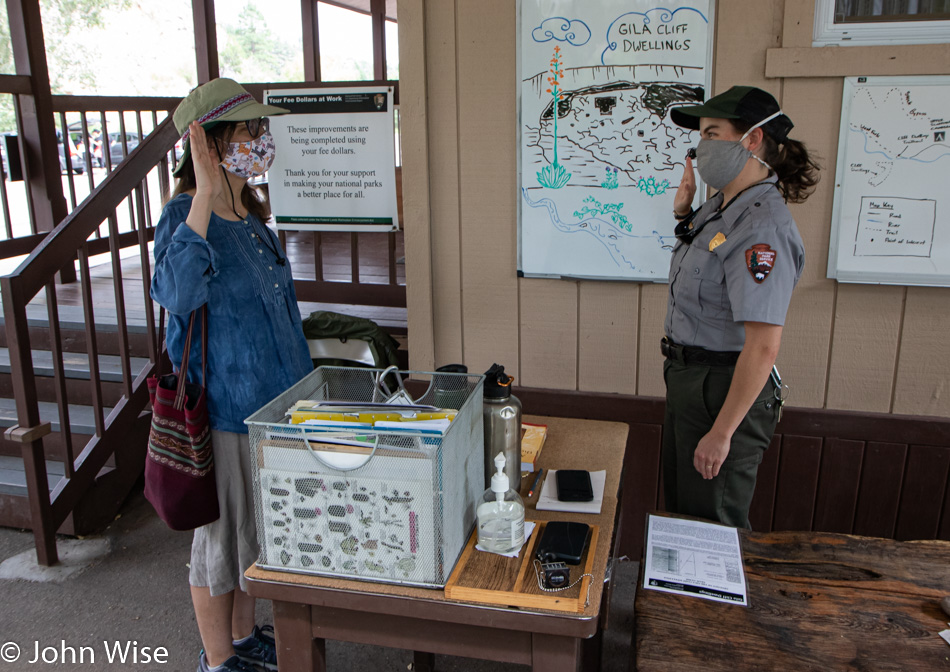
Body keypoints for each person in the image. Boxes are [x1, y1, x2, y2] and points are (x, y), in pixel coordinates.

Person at [151, 78, 313, 672]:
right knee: (218, 546)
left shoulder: (251, 217)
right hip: (223, 411)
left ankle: (244, 640)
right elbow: (175, 293)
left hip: (274, 411)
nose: (261, 140)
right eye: (250, 130)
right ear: (210, 142)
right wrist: (202, 193)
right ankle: (218, 661)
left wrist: (306, 395)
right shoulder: (184, 220)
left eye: (261, 130)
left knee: (253, 537)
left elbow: (283, 318)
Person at [661, 86, 820, 528]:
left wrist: (723, 432)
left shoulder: (761, 227)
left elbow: (763, 347)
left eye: (712, 133)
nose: (700, 146)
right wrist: (683, 214)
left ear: (751, 140)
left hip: (724, 391)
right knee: (684, 517)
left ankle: (714, 602)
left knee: (711, 526)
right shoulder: (722, 206)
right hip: (691, 382)